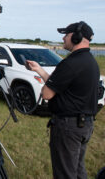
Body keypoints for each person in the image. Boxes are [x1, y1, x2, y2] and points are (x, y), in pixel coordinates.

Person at [26, 21, 99, 179]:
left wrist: (46, 86)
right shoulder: (90, 61)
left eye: (66, 34)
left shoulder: (71, 63)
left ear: (75, 36)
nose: (63, 38)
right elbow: (61, 84)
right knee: (78, 170)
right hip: (84, 124)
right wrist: (39, 69)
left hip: (68, 126)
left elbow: (47, 94)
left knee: (65, 173)